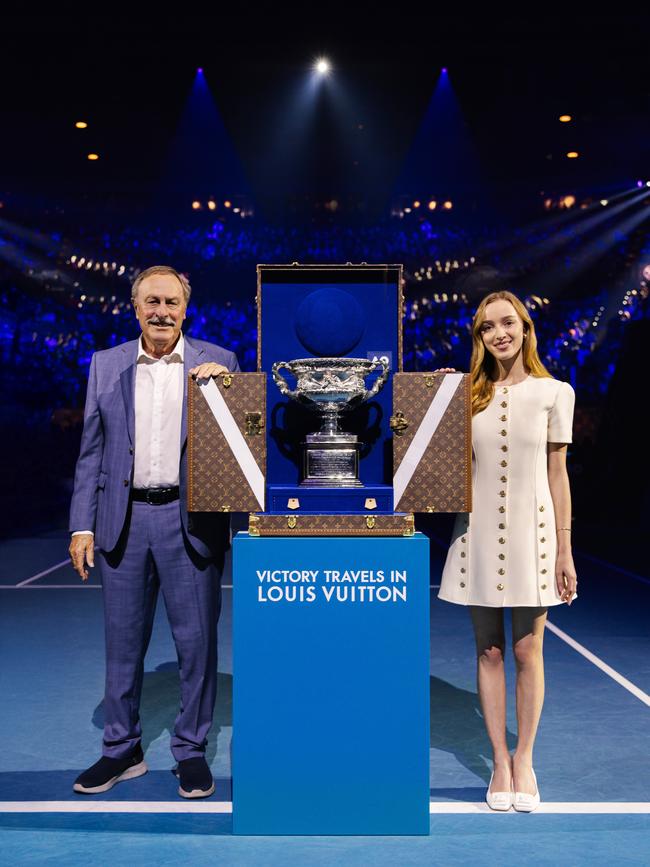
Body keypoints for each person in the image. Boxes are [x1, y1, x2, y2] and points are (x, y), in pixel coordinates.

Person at [68, 264, 240, 799]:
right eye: (152, 302)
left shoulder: (221, 363)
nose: (162, 312)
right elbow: (90, 452)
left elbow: (239, 442)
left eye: (171, 302)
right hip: (122, 521)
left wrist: (224, 392)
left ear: (186, 309)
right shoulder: (106, 364)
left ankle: (190, 750)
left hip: (190, 522)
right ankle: (121, 750)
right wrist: (82, 525)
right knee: (121, 646)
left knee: (197, 646)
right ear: (135, 307)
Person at [437, 290, 576, 812]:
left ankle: (525, 758)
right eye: (486, 328)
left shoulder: (554, 392)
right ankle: (499, 759)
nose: (498, 333)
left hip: (534, 532)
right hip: (476, 531)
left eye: (506, 323)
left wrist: (565, 547)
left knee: (527, 650)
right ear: (478, 338)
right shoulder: (466, 395)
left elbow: (558, 475)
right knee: (489, 650)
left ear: (524, 327)